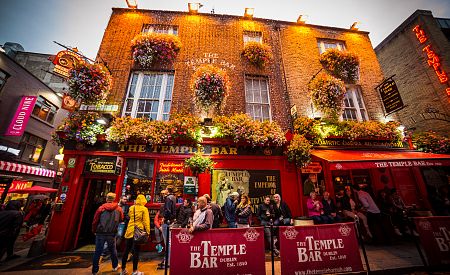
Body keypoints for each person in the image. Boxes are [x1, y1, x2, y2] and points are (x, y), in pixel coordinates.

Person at [91, 193, 124, 275]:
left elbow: (95, 221)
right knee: (113, 250)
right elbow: (121, 219)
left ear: (106, 198)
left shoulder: (101, 208)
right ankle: (115, 266)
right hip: (111, 233)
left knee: (98, 251)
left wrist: (94, 230)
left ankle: (95, 270)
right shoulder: (119, 209)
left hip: (100, 232)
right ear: (114, 199)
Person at [121, 194, 150, 275]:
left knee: (126, 251)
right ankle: (135, 271)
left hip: (130, 230)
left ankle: (123, 270)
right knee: (136, 252)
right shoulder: (144, 209)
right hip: (138, 232)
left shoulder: (131, 207)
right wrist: (148, 232)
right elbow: (146, 222)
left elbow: (129, 217)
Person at [158, 185, 177, 270]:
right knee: (169, 242)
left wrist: (164, 218)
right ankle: (168, 260)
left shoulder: (168, 198)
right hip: (171, 221)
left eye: (165, 189)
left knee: (167, 242)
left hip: (167, 222)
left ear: (167, 190)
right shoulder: (173, 197)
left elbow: (168, 210)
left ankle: (168, 261)